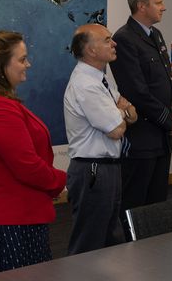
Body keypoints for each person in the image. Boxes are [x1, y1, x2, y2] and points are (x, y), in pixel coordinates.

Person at [0, 30, 67, 277]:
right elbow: (26, 165)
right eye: (22, 59)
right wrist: (61, 180)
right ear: (0, 66)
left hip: (6, 217)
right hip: (8, 221)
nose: (28, 64)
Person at [109, 0, 172, 232]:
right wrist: (167, 120)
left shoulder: (155, 34)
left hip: (162, 137)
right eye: (159, 2)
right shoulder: (124, 38)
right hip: (142, 138)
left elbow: (168, 79)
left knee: (157, 202)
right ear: (142, 6)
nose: (164, 7)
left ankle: (155, 256)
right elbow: (136, 92)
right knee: (135, 205)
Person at [64, 24, 137, 254]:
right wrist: (122, 112)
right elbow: (117, 129)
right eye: (107, 40)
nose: (114, 43)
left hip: (107, 168)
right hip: (93, 171)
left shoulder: (101, 78)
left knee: (111, 237)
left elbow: (131, 112)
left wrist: (122, 112)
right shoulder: (85, 84)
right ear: (91, 50)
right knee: (89, 242)